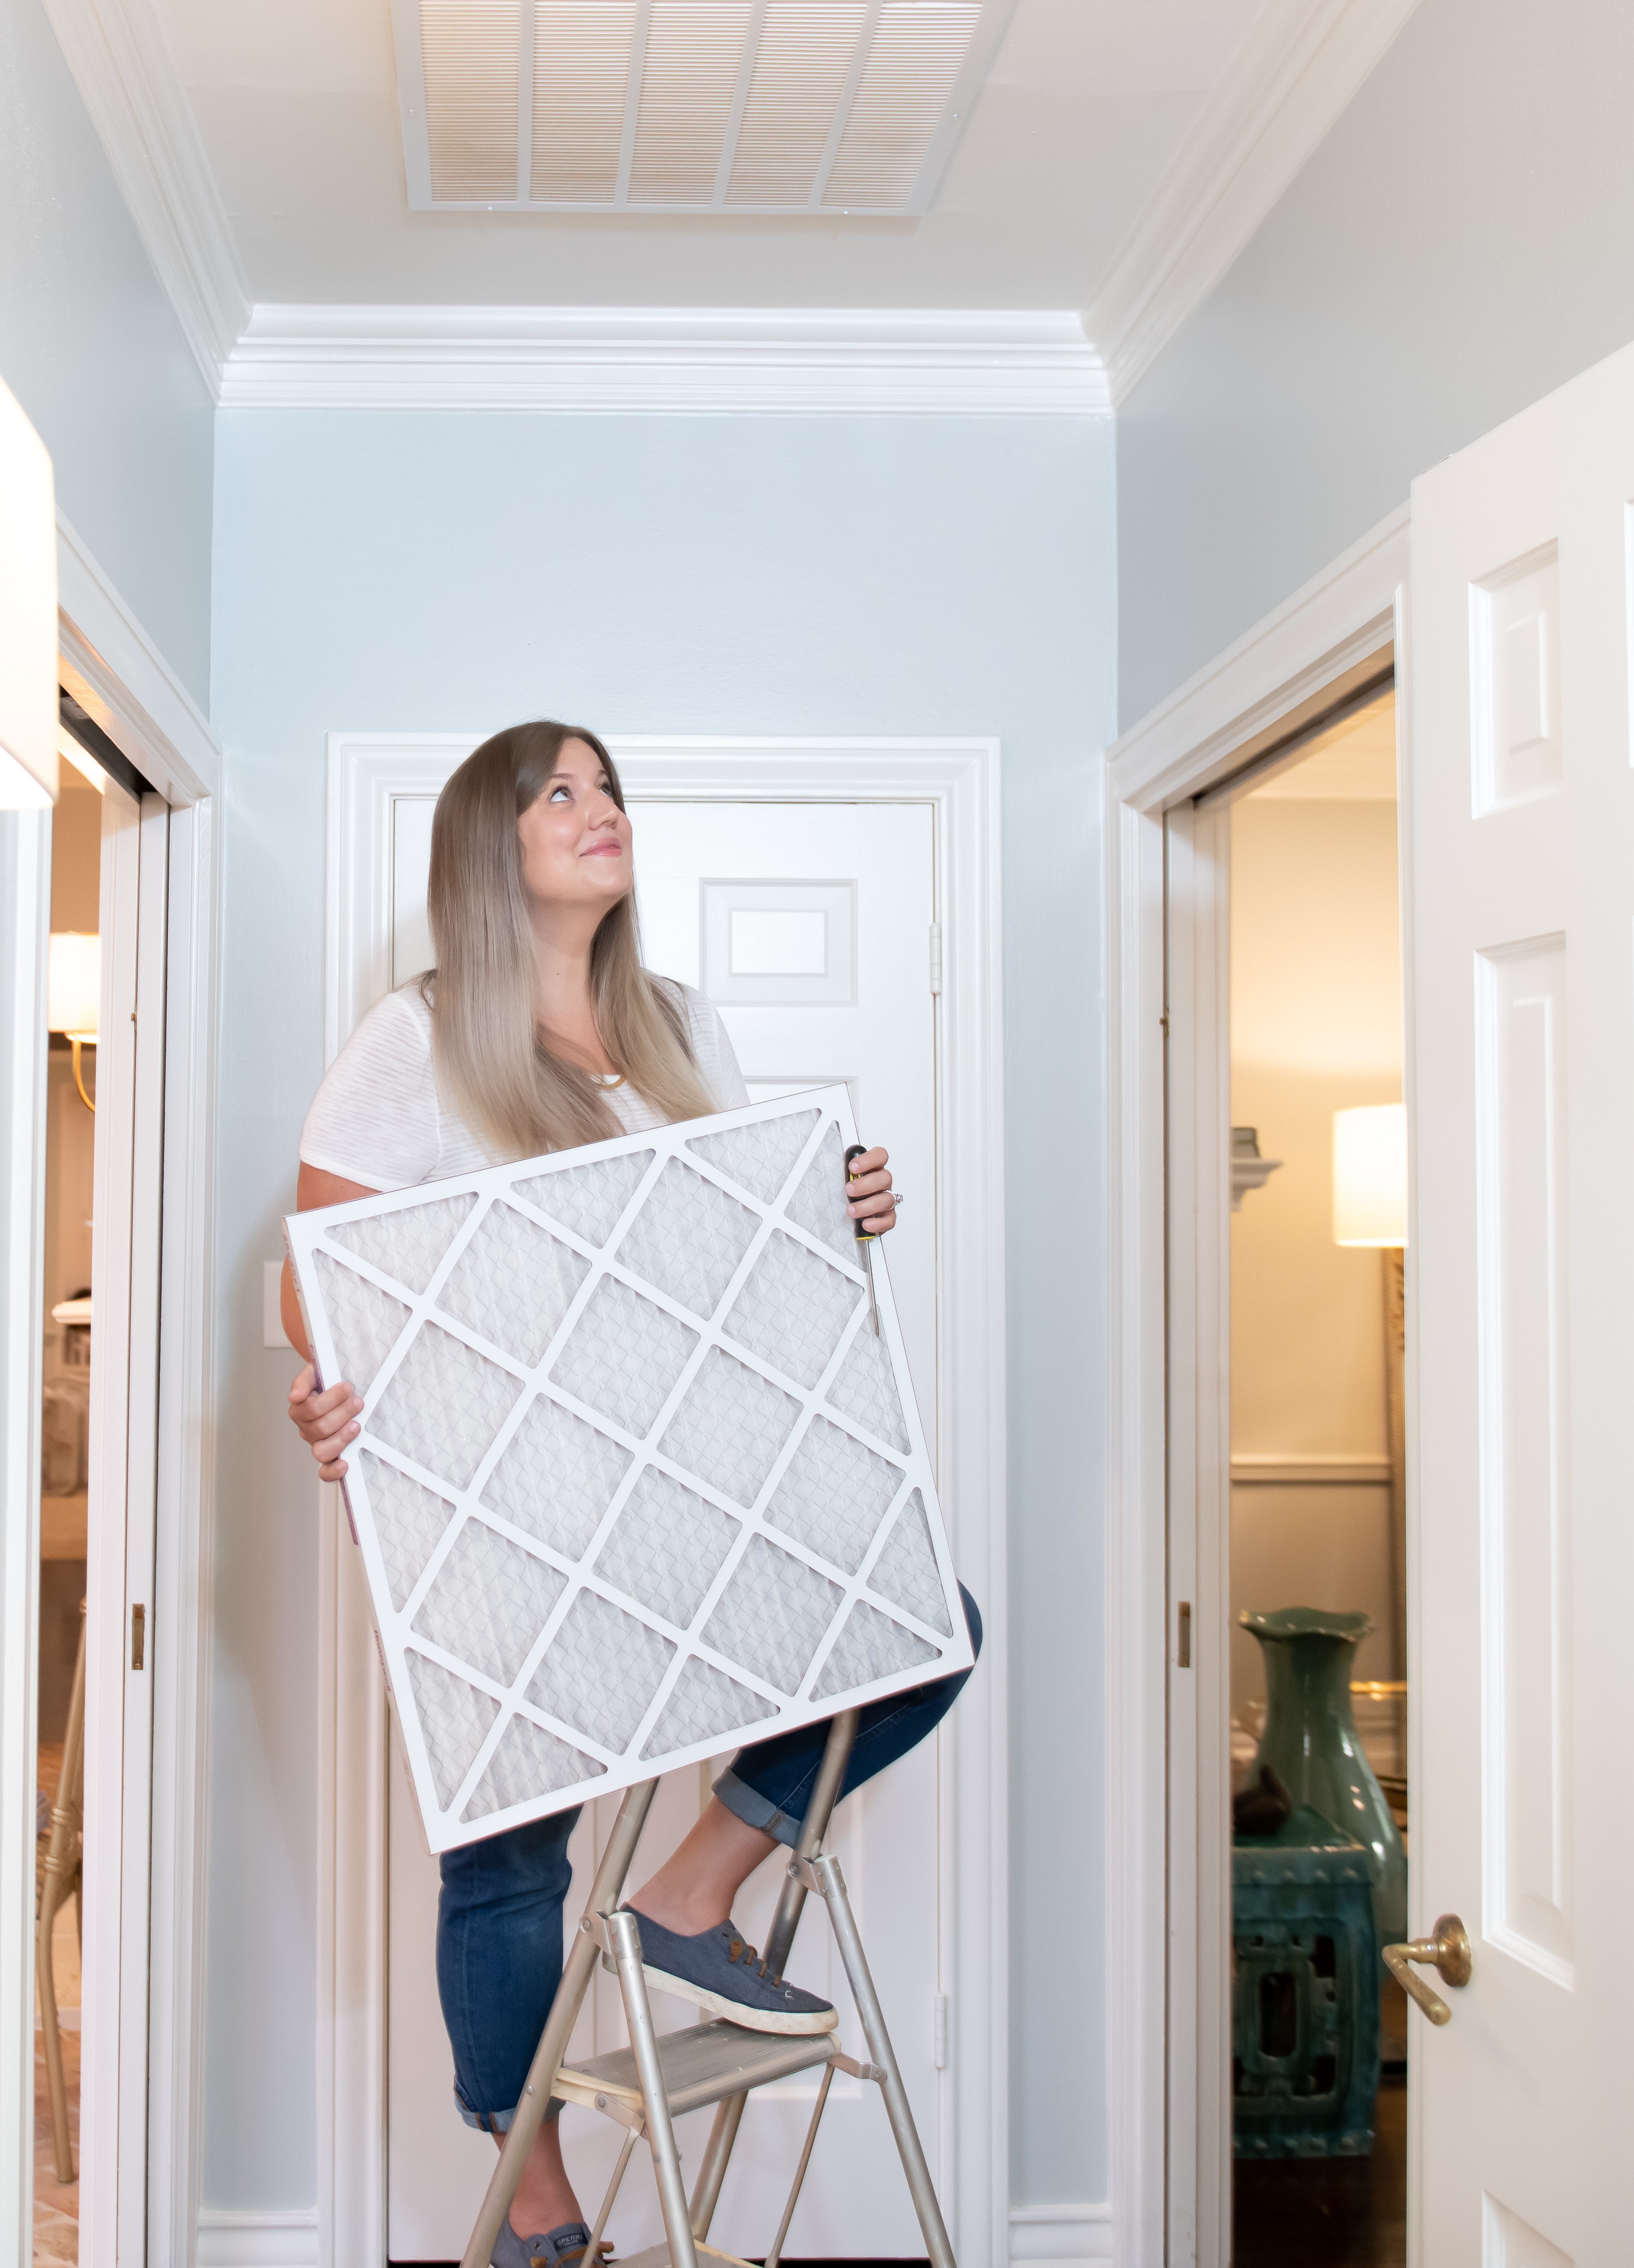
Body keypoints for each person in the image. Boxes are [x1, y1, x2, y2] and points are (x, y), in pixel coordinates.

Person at [281, 720, 980, 2268]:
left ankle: (683, 1894)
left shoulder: (675, 1022)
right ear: (490, 840)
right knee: (509, 1850)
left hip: (686, 1479)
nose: (599, 813)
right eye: (560, 795)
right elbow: (317, 1278)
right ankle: (539, 2219)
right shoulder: (420, 1034)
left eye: (610, 791)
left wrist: (837, 1200)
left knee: (926, 1627)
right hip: (511, 1502)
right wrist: (330, 1392)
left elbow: (726, 1243)